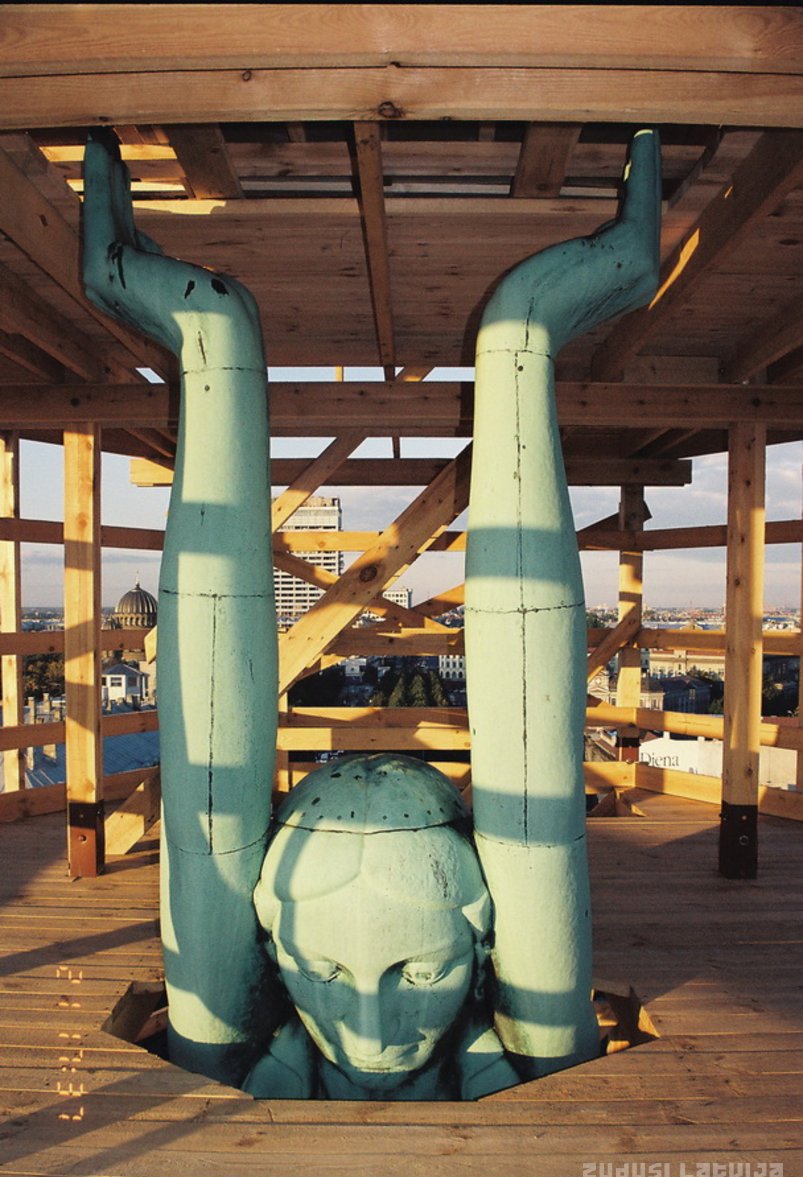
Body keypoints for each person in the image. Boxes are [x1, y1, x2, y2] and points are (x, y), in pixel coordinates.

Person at [82, 127, 660, 1099]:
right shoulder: (523, 1054)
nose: (368, 1028)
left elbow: (208, 793)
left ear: (481, 946)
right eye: (321, 968)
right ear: (272, 949)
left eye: (418, 972)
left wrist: (212, 346)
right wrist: (519, 337)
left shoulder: (232, 1051)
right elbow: (534, 817)